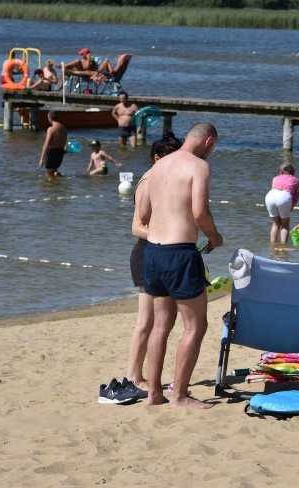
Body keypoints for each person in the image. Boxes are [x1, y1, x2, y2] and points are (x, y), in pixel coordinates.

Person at [138, 122, 222, 409]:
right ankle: (180, 395)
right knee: (195, 325)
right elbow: (200, 212)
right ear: (208, 142)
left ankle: (153, 394)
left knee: (161, 325)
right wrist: (214, 236)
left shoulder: (156, 168)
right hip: (180, 254)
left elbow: (144, 213)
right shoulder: (198, 167)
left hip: (153, 252)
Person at [119, 132, 184, 400]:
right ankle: (134, 376)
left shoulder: (167, 180)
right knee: (146, 320)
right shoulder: (147, 181)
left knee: (160, 320)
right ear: (157, 158)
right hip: (147, 253)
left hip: (164, 253)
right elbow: (137, 227)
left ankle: (145, 375)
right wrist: (166, 236)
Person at [264, 163, 299, 244]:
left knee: (276, 223)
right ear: (292, 171)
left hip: (270, 195)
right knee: (285, 223)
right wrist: (292, 206)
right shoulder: (296, 180)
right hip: (284, 196)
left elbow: (273, 188)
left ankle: (273, 245)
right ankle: (283, 246)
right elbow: (296, 196)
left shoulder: (275, 178)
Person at [38, 111, 68, 178]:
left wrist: (41, 159)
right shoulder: (64, 128)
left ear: (49, 118)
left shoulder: (51, 129)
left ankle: (52, 187)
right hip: (60, 152)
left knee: (49, 174)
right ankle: (60, 180)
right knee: (54, 171)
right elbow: (65, 142)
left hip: (52, 152)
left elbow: (46, 144)